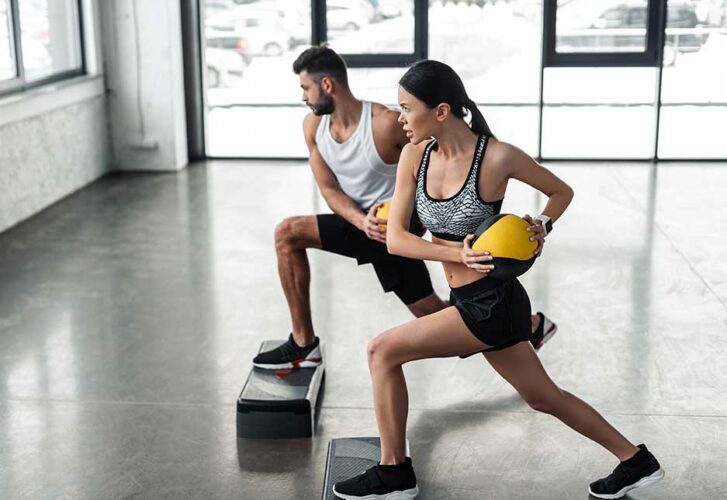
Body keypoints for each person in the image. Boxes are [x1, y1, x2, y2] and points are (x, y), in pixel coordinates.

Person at [332, 60, 664, 500]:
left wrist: (542, 225)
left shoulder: (497, 156)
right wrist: (455, 252)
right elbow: (396, 239)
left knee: (382, 351)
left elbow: (561, 191)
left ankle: (394, 473)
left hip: (490, 302)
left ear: (442, 111)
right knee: (544, 397)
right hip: (471, 298)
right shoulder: (416, 154)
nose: (399, 119)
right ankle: (636, 461)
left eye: (407, 108)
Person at [253, 47, 556, 370]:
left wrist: (416, 222)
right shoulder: (312, 127)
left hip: (393, 231)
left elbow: (431, 173)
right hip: (360, 224)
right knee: (288, 233)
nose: (304, 97)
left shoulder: (386, 124)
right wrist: (361, 221)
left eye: (305, 88)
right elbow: (328, 189)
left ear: (327, 85)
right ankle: (304, 344)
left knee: (438, 316)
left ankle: (528, 325)